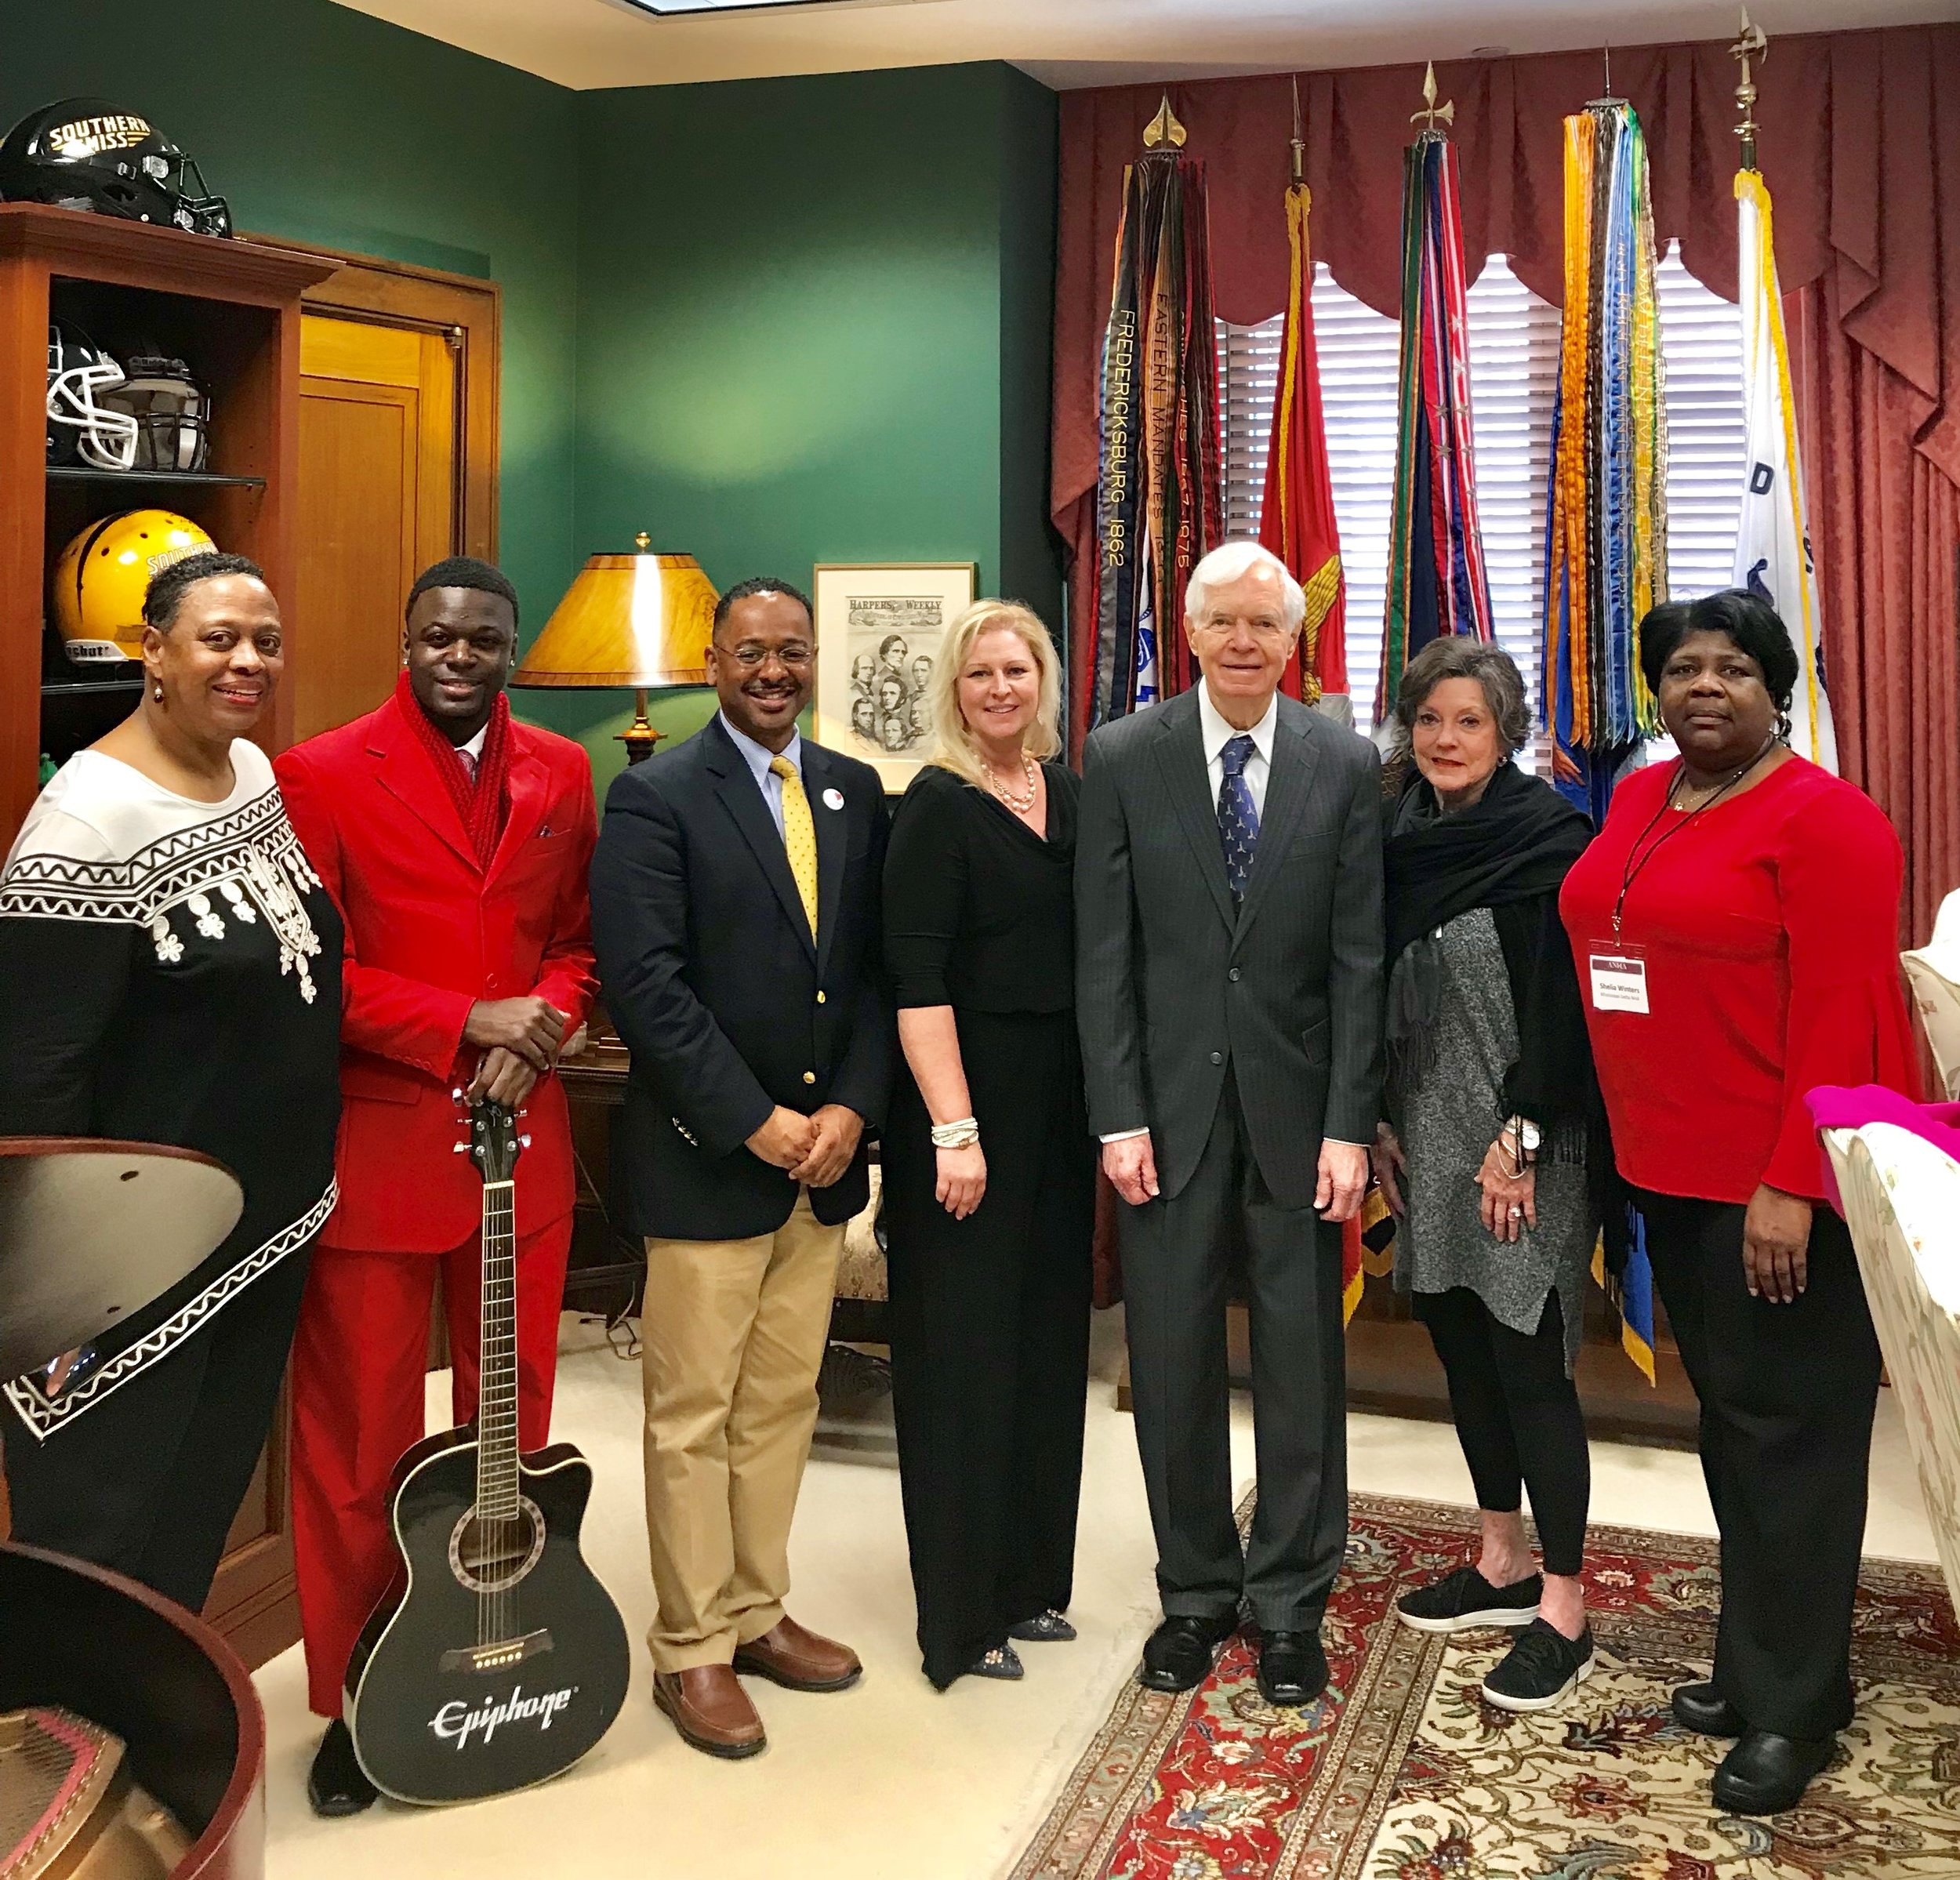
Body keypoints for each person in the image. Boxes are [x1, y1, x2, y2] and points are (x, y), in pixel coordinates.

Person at [1560, 589, 1918, 1816]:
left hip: (1775, 1191)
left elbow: (1847, 1018)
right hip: (1669, 1173)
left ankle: (1797, 1706)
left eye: (1734, 669)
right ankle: (1760, 1659)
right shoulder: (1641, 796)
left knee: (1795, 1448)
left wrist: (1792, 1184)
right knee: (1738, 1432)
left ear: (1778, 690)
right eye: (1681, 669)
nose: (1704, 686)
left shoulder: (1833, 824)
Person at [273, 556, 599, 1816]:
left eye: (484, 639)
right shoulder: (322, 771)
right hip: (383, 1150)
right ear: (405, 641)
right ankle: (356, 1697)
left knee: (506, 1433)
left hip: (528, 1150)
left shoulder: (563, 771)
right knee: (358, 1439)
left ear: (511, 648)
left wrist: (541, 1029)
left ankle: (487, 1655)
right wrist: (470, 1018)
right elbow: (321, 977)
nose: (459, 655)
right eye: (438, 636)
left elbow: (573, 947)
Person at [0, 552, 340, 1611]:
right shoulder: (87, 824)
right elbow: (33, 1075)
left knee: (191, 1516)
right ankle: (61, 1759)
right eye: (218, 638)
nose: (249, 661)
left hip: (259, 1233)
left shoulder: (252, 771)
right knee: (96, 1537)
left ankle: (148, 1743)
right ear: (152, 649)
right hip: (130, 1273)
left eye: (266, 641)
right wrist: (62, 1304)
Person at [1076, 539, 1383, 1707]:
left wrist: (1351, 1123)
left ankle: (1292, 1595)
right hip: (1165, 1117)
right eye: (1227, 623)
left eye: (1269, 624)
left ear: (1294, 639)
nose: (1247, 641)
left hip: (1305, 1123)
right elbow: (1103, 954)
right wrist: (1117, 1113)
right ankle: (1197, 1590)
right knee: (1171, 1358)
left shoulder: (1342, 761)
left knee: (1304, 1359)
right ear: (1192, 633)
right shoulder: (1122, 755)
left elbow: (1360, 959)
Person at [590, 575, 892, 1759]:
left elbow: (870, 975)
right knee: (691, 1416)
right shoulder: (656, 796)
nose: (775, 671)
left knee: (782, 1407)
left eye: (793, 653)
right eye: (752, 652)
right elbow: (647, 987)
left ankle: (759, 1612)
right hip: (709, 1160)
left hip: (821, 1164)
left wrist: (854, 1109)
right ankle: (692, 1648)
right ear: (713, 659)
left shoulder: (854, 791)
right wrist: (754, 1119)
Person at [1370, 639, 1602, 1711]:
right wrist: (1376, 1118)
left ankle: (1564, 1602)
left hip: (1523, 1138)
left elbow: (1571, 1009)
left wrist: (1524, 1136)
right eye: (1429, 720)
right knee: (1463, 1350)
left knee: (1529, 1365)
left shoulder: (1547, 836)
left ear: (1505, 729)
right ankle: (1500, 1557)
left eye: (1468, 720)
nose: (1446, 740)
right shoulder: (1396, 835)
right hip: (1426, 1132)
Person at [882, 601, 1093, 1689]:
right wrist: (954, 1131)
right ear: (953, 692)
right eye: (980, 675)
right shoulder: (935, 808)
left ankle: (1026, 1583)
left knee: (1045, 1352)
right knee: (963, 1362)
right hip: (966, 1121)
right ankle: (957, 1622)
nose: (1001, 688)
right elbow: (916, 988)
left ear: (1044, 681)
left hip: (1061, 1116)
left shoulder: (1069, 791)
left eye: (1018, 669)